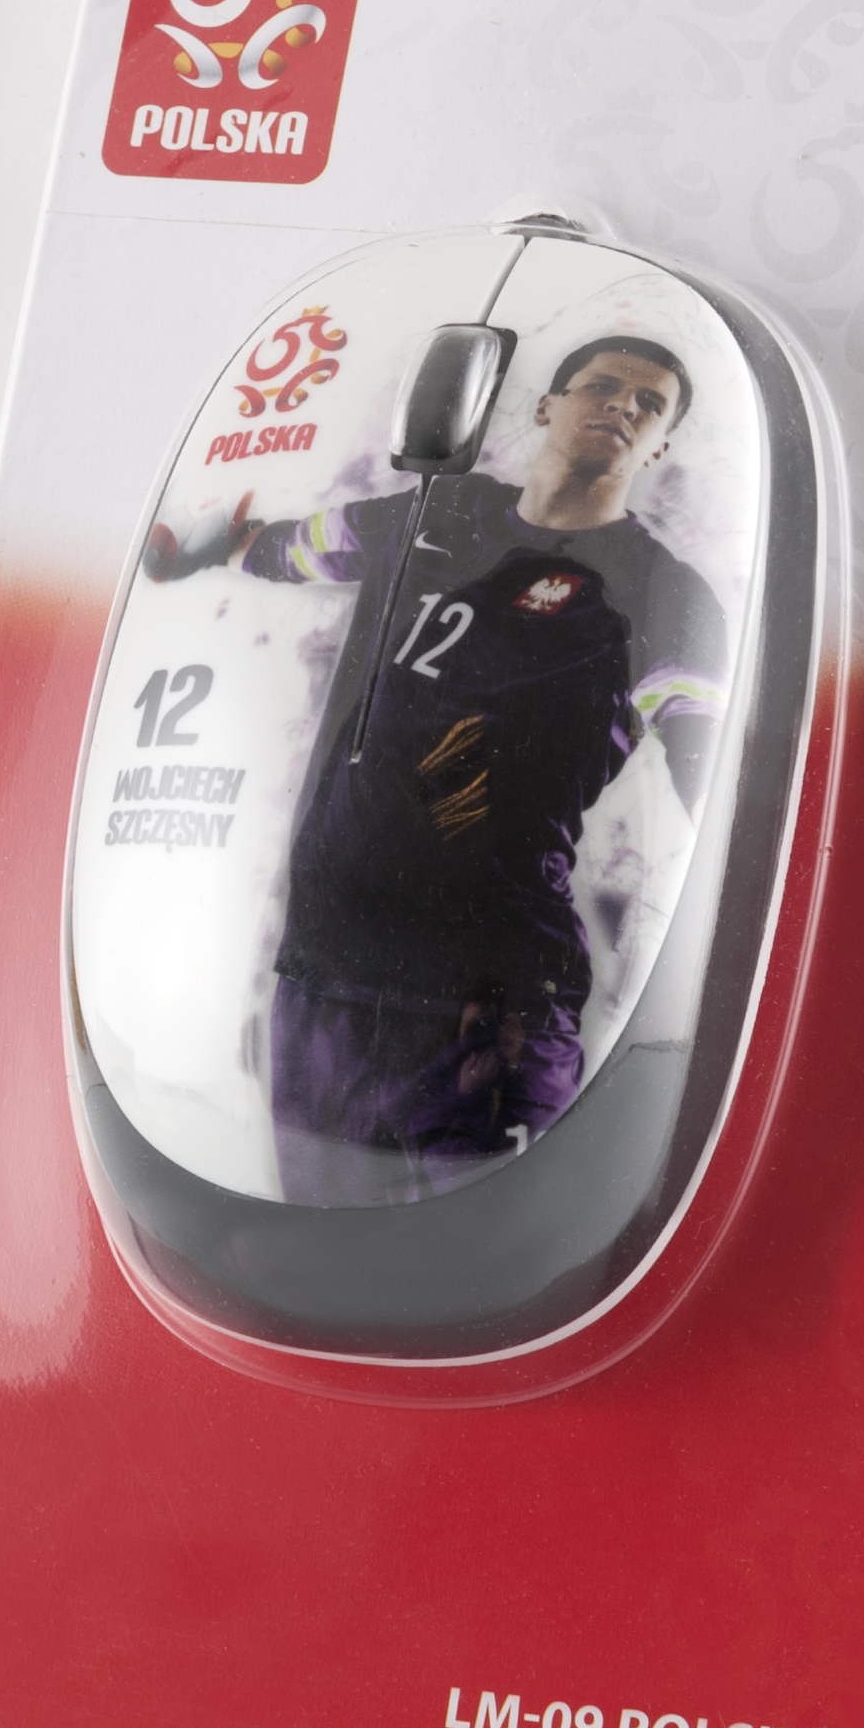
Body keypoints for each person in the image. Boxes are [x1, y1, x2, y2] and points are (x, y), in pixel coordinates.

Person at [173, 338, 730, 1203]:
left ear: (659, 447)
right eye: (603, 386)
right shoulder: (435, 511)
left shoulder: (664, 591)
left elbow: (714, 784)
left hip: (491, 1004)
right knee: (317, 1253)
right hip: (326, 975)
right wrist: (202, 546)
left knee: (494, 1265)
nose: (623, 406)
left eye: (649, 404)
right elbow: (287, 549)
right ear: (546, 405)